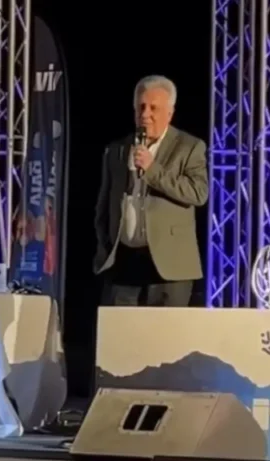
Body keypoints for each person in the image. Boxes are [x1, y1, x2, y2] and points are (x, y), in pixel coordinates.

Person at [93, 75, 208, 307]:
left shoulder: (189, 147)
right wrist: (105, 244)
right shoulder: (117, 149)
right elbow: (104, 204)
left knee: (166, 330)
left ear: (169, 113)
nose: (145, 114)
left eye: (153, 108)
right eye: (141, 107)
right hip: (124, 262)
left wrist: (152, 169)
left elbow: (198, 193)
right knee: (122, 328)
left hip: (169, 267)